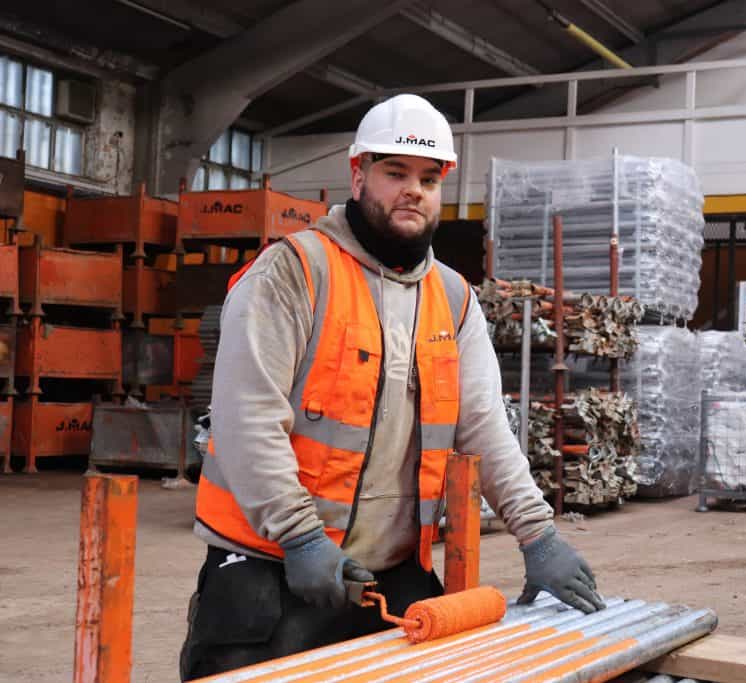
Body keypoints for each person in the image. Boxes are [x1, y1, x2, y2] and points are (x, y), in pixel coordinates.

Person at [179, 94, 604, 680]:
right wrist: (300, 537)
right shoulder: (294, 272)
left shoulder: (453, 298)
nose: (415, 190)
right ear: (358, 175)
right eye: (395, 173)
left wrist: (537, 535)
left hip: (390, 574)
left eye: (429, 178)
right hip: (271, 564)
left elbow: (483, 425)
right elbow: (246, 416)